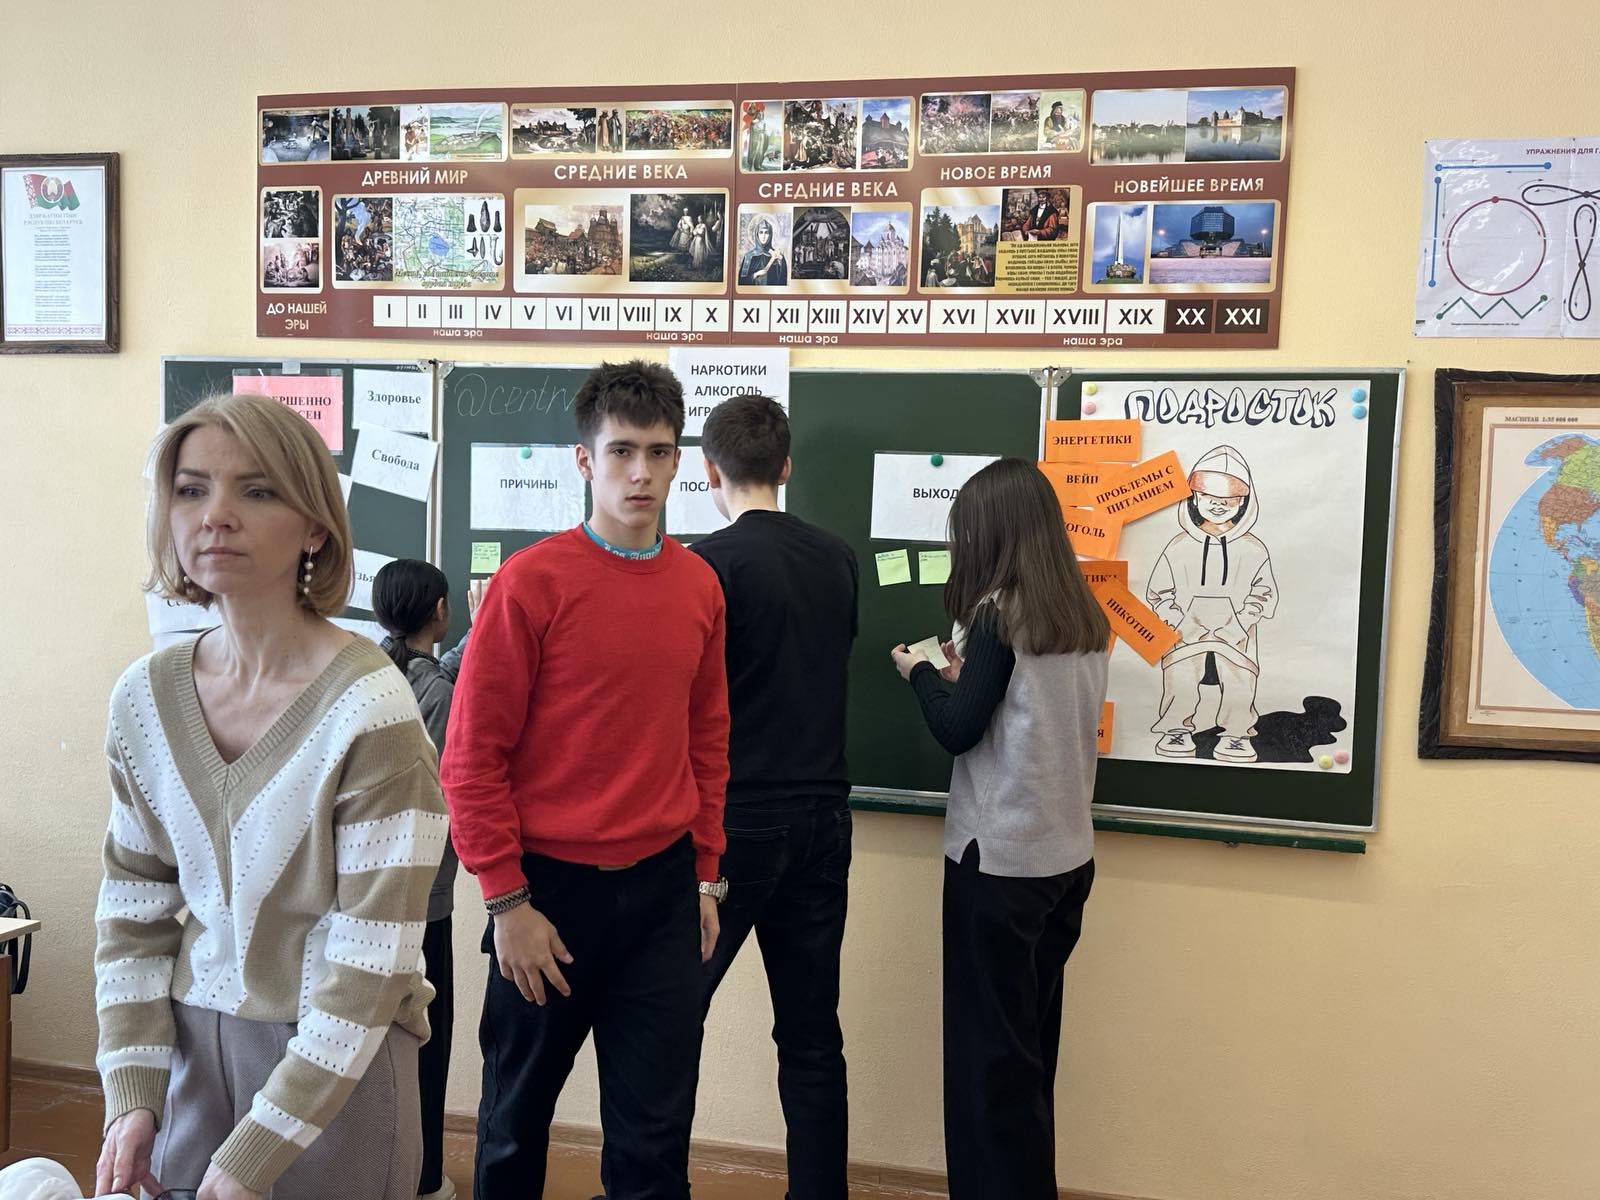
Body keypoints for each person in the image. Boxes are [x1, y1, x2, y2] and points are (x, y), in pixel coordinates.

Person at [94, 393, 447, 1200]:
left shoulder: (372, 708)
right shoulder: (144, 697)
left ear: (315, 526)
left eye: (256, 491)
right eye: (191, 489)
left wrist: (259, 1148)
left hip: (337, 1069)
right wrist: (133, 1090)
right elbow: (133, 912)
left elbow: (370, 962)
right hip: (190, 1052)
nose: (215, 515)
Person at [440, 360, 729, 1200]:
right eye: (621, 452)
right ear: (584, 460)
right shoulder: (532, 582)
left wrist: (706, 874)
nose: (640, 473)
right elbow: (471, 755)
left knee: (653, 1144)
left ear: (679, 462)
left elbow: (708, 740)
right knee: (513, 1129)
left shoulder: (700, 586)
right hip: (546, 897)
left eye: (659, 453)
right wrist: (506, 902)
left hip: (663, 896)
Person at [888, 458, 1111, 1200]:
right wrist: (966, 681)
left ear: (988, 533)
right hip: (1064, 860)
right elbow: (1021, 711)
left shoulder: (995, 615)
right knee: (1028, 1055)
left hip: (1000, 865)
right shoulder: (1081, 614)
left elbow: (956, 730)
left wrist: (920, 672)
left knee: (987, 1066)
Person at [690, 396, 858, 1200]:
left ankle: (650, 1185)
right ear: (786, 467)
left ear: (708, 472)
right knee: (812, 1033)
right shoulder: (839, 558)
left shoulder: (703, 565)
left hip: (735, 821)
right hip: (825, 815)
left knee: (672, 1018)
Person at [372, 562, 485, 1200]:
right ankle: (420, 1178)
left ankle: (381, 1171)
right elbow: (442, 789)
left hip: (369, 889)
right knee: (425, 1041)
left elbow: (441, 673)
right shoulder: (435, 690)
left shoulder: (371, 671)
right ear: (439, 610)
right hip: (423, 898)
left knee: (380, 1037)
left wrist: (478, 631)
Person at [1145, 446, 1277, 764]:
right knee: (1179, 678)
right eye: (1209, 498)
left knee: (1240, 681)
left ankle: (1236, 735)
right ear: (1194, 498)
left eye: (1228, 500)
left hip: (1237, 634)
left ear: (1243, 502)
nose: (1218, 506)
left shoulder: (1254, 549)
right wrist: (1178, 621)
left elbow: (1263, 592)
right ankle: (1175, 730)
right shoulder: (1178, 547)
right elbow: (1159, 591)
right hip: (1184, 633)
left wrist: (1242, 622)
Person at [738, 219, 788, 286]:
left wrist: (782, 261)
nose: (763, 236)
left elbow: (782, 280)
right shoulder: (749, 256)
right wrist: (755, 274)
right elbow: (741, 281)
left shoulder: (775, 254)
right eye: (761, 232)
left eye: (766, 233)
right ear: (757, 234)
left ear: (770, 235)